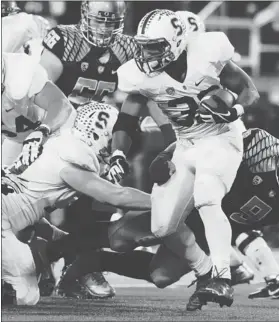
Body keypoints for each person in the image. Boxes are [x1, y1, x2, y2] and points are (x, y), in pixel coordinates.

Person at [53, 130, 279, 311]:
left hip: (214, 231)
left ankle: (95, 261)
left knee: (161, 277)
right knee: (123, 235)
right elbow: (201, 143)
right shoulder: (259, 148)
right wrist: (165, 156)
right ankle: (56, 248)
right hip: (193, 200)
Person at [112, 8, 259, 307]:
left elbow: (249, 89)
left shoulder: (205, 53)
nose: (147, 53)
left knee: (207, 196)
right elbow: (126, 121)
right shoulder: (138, 75)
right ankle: (206, 271)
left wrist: (235, 111)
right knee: (162, 226)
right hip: (185, 144)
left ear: (178, 41)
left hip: (220, 137)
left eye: (155, 45)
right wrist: (117, 152)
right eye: (144, 45)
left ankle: (222, 279)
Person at [37, 1, 173, 298]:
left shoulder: (128, 47)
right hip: (58, 130)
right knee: (42, 202)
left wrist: (164, 134)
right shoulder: (65, 39)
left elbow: (145, 92)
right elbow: (40, 90)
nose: (105, 27)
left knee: (96, 202)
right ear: (85, 15)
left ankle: (79, 268)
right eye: (100, 20)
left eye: (112, 21)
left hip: (101, 136)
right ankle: (33, 262)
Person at [1, 102, 151, 306]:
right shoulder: (74, 157)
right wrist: (163, 202)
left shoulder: (59, 142)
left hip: (9, 212)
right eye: (112, 140)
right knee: (26, 296)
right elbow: (116, 196)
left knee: (66, 241)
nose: (114, 148)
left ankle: (43, 264)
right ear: (101, 134)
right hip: (4, 219)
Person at [2, 53, 73, 169]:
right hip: (19, 140)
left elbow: (62, 104)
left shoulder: (18, 71)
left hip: (56, 133)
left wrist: (43, 130)